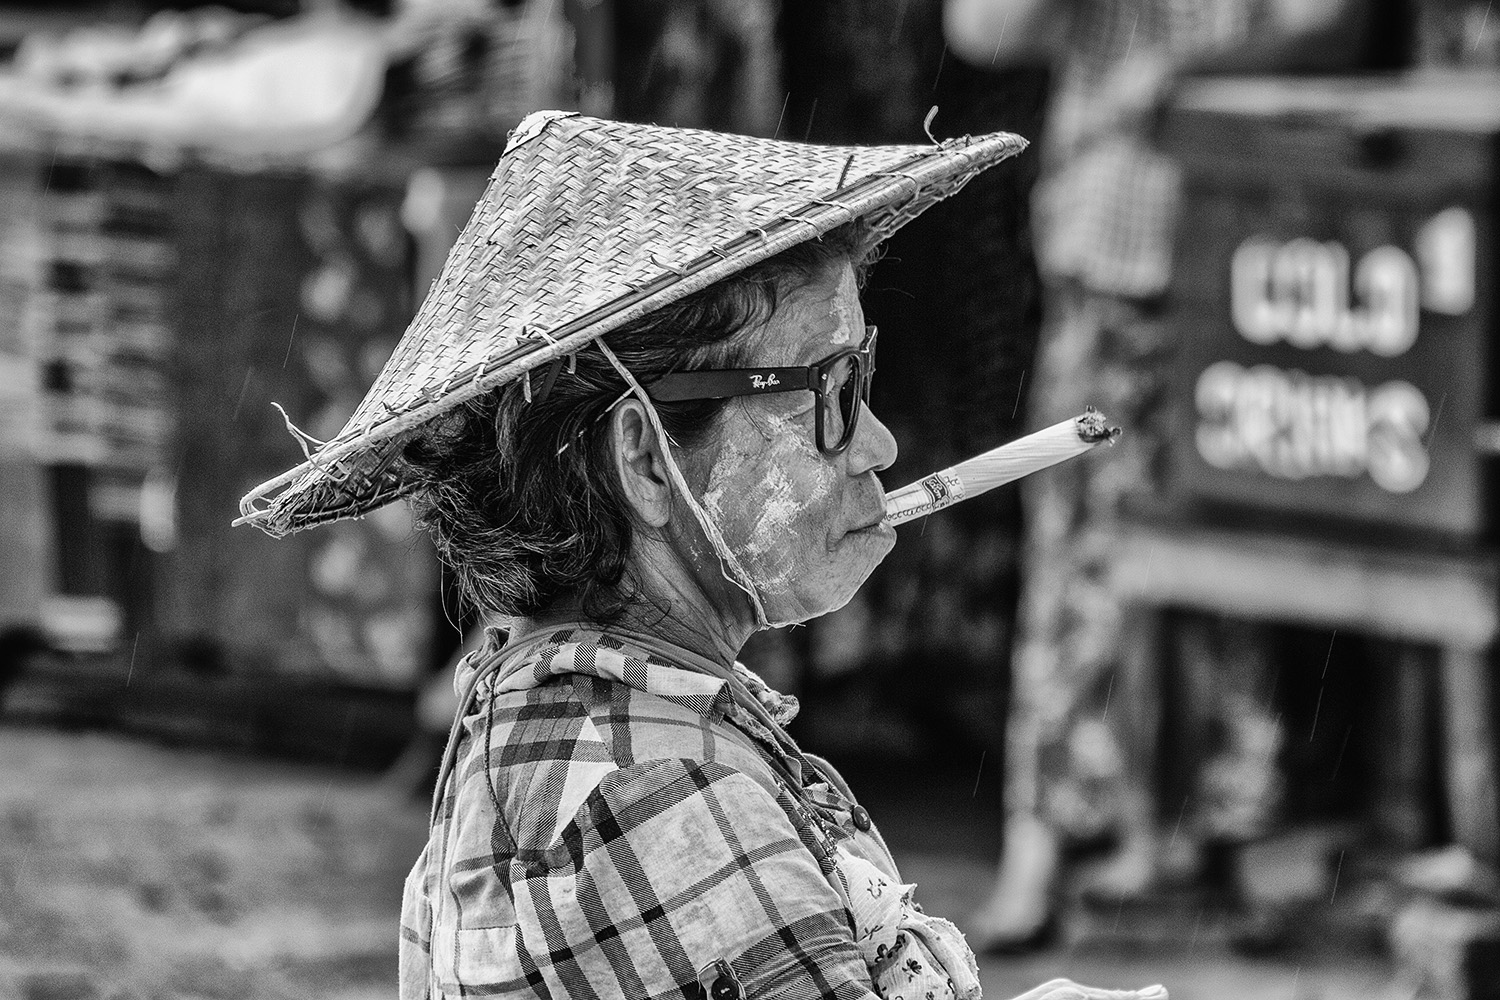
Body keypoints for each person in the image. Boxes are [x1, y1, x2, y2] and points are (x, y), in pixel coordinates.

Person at [239, 111, 1165, 1000]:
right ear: (646, 461)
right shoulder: (650, 790)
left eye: (863, 374)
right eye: (831, 390)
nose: (878, 445)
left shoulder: (571, 713)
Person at [944, 0, 1385, 952]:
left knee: (1244, 559)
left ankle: (1230, 838)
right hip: (1106, 251)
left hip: (1255, 244)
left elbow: (1336, 23)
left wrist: (1199, 70)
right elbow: (983, 28)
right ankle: (1047, 841)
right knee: (1075, 564)